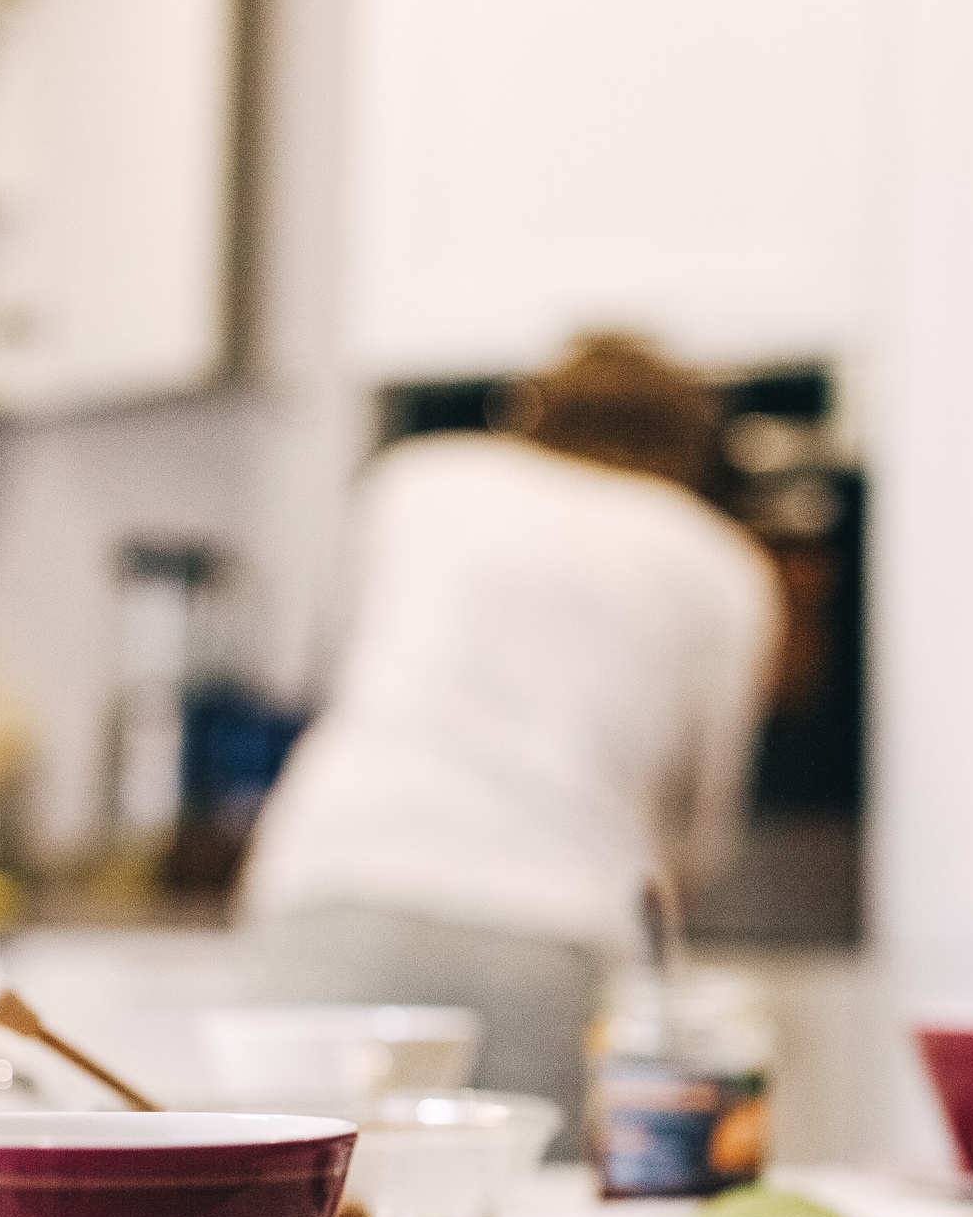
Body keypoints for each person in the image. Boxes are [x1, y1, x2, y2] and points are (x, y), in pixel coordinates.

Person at [240, 334, 783, 1156]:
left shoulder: (419, 483)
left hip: (339, 880)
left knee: (300, 1192)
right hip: (550, 920)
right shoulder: (721, 568)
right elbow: (698, 827)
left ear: (531, 412)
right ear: (694, 446)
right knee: (523, 1204)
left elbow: (329, 669)